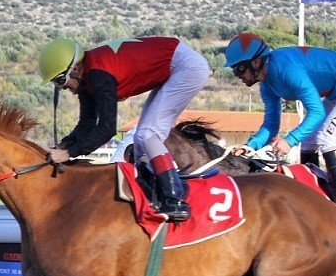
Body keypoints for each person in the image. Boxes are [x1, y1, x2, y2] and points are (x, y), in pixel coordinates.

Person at [39, 36, 211, 222]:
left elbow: (106, 129)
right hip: (176, 65)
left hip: (186, 67)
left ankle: (174, 198)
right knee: (141, 141)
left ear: (75, 68)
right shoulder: (88, 76)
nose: (63, 88)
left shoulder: (98, 74)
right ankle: (153, 193)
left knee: (146, 135)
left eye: (60, 80)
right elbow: (86, 124)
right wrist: (63, 146)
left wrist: (68, 154)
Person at [224, 32, 336, 209]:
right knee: (309, 141)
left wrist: (290, 141)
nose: (237, 75)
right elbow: (271, 124)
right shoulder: (267, 85)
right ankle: (315, 193)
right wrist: (250, 146)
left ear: (256, 62)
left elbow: (316, 111)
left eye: (239, 68)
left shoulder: (285, 68)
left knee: (326, 138)